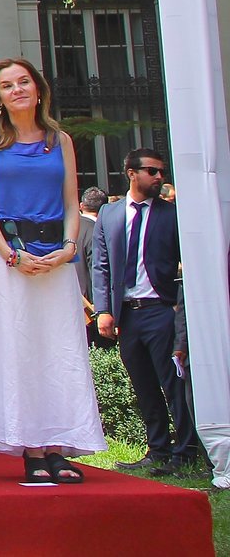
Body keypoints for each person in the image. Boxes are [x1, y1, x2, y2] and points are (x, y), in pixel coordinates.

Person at [0, 58, 104, 481]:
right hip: (7, 259)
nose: (17, 90)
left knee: (58, 350)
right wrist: (10, 253)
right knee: (18, 349)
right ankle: (28, 446)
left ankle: (57, 444)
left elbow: (70, 202)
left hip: (56, 258)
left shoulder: (59, 140)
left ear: (38, 89)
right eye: (8, 85)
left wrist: (67, 249)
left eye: (24, 82)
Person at [90, 147, 198, 474]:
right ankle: (158, 449)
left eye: (161, 172)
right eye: (152, 171)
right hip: (128, 313)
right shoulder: (110, 215)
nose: (159, 177)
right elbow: (101, 265)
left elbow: (187, 266)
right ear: (131, 173)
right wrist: (104, 311)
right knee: (144, 385)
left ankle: (186, 452)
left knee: (174, 384)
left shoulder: (172, 214)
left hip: (161, 309)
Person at [77, 187, 108, 305]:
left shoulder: (68, 229)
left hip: (69, 297)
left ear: (81, 206)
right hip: (91, 304)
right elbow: (97, 269)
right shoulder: (99, 232)